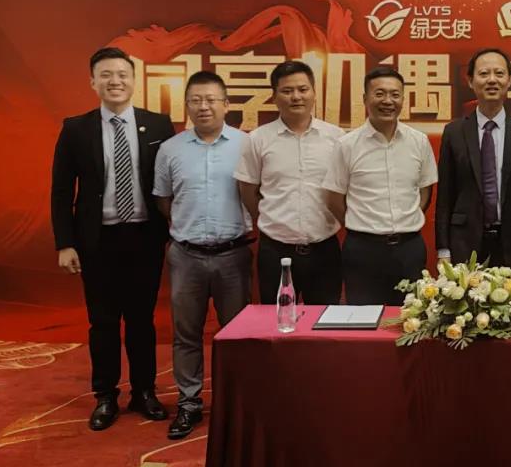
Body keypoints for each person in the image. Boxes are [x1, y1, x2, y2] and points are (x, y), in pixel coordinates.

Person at [50, 46, 174, 431]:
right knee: (102, 321)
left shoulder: (158, 125)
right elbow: (61, 191)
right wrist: (65, 243)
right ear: (93, 82)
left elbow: (170, 182)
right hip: (97, 241)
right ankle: (105, 395)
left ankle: (144, 391)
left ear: (134, 81)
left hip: (144, 238)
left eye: (122, 74)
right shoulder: (76, 128)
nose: (114, 81)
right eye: (106, 75)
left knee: (141, 320)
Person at [154, 71, 251, 440]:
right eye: (196, 100)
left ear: (226, 104)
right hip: (186, 256)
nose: (204, 106)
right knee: (186, 334)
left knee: (238, 336)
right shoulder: (170, 149)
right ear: (187, 106)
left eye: (211, 99)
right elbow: (164, 201)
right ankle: (189, 402)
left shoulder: (246, 144)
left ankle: (235, 403)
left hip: (233, 255)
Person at [323, 66, 438, 305]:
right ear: (365, 99)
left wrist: (404, 221)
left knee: (411, 317)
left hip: (409, 249)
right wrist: (363, 224)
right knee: (363, 320)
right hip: (363, 251)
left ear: (403, 99)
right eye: (380, 94)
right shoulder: (347, 145)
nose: (388, 101)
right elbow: (334, 198)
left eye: (395, 94)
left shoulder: (419, 141)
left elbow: (425, 191)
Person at [235, 60, 345, 306]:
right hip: (275, 251)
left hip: (324, 249)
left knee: (324, 321)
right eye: (287, 91)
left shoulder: (336, 138)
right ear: (274, 97)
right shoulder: (258, 139)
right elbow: (248, 190)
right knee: (277, 321)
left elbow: (343, 190)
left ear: (314, 93)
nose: (296, 96)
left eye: (303, 89)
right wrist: (271, 218)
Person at [435, 47, 511, 274]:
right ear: (470, 81)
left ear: (509, 80)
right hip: (464, 243)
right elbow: (445, 195)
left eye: (499, 73)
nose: (492, 80)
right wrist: (443, 249)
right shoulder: (454, 132)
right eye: (484, 74)